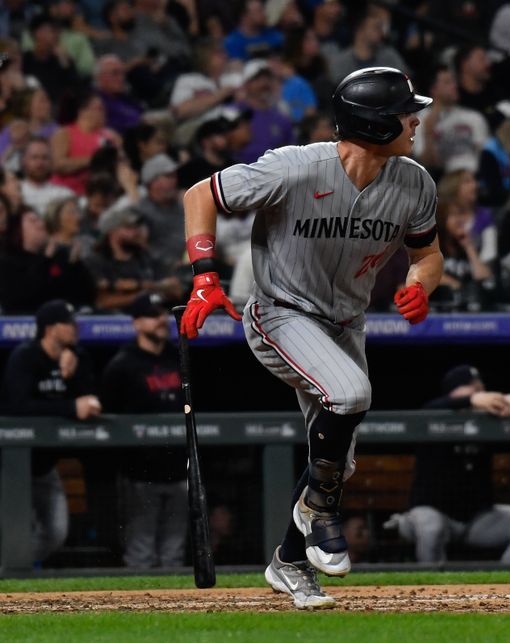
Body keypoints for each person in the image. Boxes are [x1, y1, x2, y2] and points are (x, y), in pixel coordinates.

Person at [179, 67, 442, 609]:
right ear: (373, 123)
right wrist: (205, 276)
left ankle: (290, 562)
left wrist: (421, 285)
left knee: (338, 461)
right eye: (404, 112)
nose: (415, 120)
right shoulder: (296, 167)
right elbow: (200, 195)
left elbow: (427, 254)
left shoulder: (414, 181)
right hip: (280, 312)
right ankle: (318, 512)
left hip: (345, 322)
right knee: (350, 395)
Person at [384, 364, 510, 564]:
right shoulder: (435, 413)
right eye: (470, 387)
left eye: (480, 389)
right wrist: (470, 399)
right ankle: (432, 590)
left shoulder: (487, 421)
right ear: (454, 391)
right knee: (431, 528)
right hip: (432, 513)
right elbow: (432, 408)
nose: (480, 393)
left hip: (477, 519)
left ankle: (506, 586)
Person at [0, 299, 102, 565]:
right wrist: (69, 406)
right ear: (50, 328)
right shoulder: (25, 356)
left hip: (45, 467)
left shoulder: (77, 357)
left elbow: (92, 402)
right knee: (11, 532)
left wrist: (73, 374)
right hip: (13, 467)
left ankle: (10, 570)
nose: (75, 327)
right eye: (68, 322)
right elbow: (16, 406)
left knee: (55, 533)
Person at [100, 291, 187, 568]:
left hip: (178, 467)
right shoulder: (122, 364)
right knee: (141, 550)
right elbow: (109, 415)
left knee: (174, 553)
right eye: (151, 316)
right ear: (136, 323)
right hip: (139, 472)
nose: (160, 320)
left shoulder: (178, 356)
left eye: (161, 314)